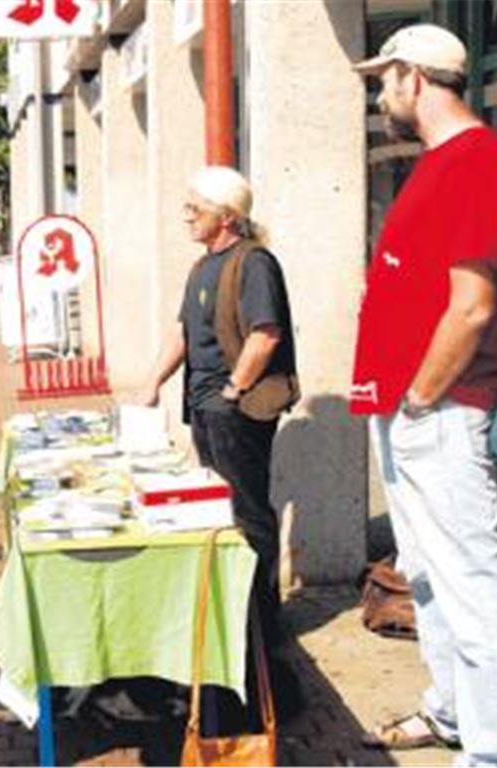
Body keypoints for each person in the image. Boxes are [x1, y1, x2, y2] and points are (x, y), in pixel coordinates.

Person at [350, 24, 497, 765]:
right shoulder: (442, 162)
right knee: (427, 574)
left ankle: (491, 754)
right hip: (410, 408)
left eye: (384, 78)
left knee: (471, 583)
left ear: (413, 78)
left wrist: (422, 394)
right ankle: (451, 710)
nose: (380, 92)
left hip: (441, 410)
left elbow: (474, 305)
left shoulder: (478, 164)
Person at [137, 165, 299, 712]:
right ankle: (236, 616)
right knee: (221, 514)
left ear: (227, 217)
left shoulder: (254, 264)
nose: (186, 214)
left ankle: (262, 625)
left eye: (195, 207)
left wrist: (233, 390)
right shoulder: (201, 266)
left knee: (248, 514)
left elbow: (265, 332)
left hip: (236, 409)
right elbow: (184, 331)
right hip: (205, 408)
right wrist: (153, 381)